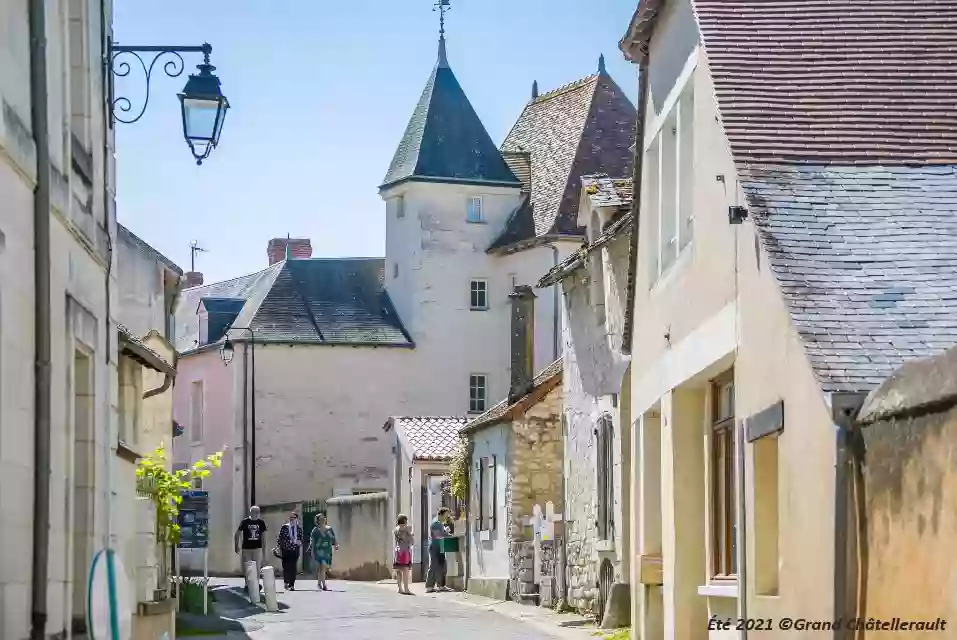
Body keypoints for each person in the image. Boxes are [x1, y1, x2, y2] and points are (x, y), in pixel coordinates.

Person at [235, 506, 267, 588]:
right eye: (255, 512)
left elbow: (263, 537)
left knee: (257, 568)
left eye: (258, 512)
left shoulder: (261, 522)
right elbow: (237, 534)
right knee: (248, 567)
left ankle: (256, 584)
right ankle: (247, 584)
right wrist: (236, 545)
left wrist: (264, 551)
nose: (257, 514)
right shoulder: (245, 522)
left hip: (257, 548)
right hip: (246, 548)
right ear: (251, 512)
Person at [425, 507, 453, 593]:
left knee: (442, 565)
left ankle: (441, 585)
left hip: (439, 546)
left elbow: (441, 534)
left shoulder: (439, 523)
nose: (447, 517)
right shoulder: (436, 523)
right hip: (435, 547)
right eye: (446, 515)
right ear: (441, 514)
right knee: (434, 566)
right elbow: (438, 535)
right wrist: (447, 535)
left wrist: (446, 532)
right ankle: (429, 586)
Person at [309, 513, 338, 591]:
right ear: (318, 521)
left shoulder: (329, 529)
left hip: (327, 551)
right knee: (323, 565)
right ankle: (324, 585)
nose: (323, 520)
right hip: (318, 551)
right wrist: (312, 552)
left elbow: (333, 538)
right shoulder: (315, 531)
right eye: (321, 519)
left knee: (322, 568)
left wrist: (335, 545)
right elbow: (312, 542)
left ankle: (319, 583)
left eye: (324, 518)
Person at [277, 511, 302, 590]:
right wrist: (278, 547)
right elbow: (280, 537)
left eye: (293, 517)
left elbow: (301, 538)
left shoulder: (298, 528)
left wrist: (299, 542)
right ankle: (286, 582)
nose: (292, 519)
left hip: (295, 549)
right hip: (285, 549)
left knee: (293, 567)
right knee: (286, 567)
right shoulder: (284, 527)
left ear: (296, 519)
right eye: (290, 517)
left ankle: (291, 584)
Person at [393, 514, 414, 595]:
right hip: (405, 551)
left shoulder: (396, 529)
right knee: (405, 571)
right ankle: (406, 589)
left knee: (398, 570)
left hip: (397, 551)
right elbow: (411, 540)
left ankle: (400, 588)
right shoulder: (406, 528)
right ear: (405, 520)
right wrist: (411, 535)